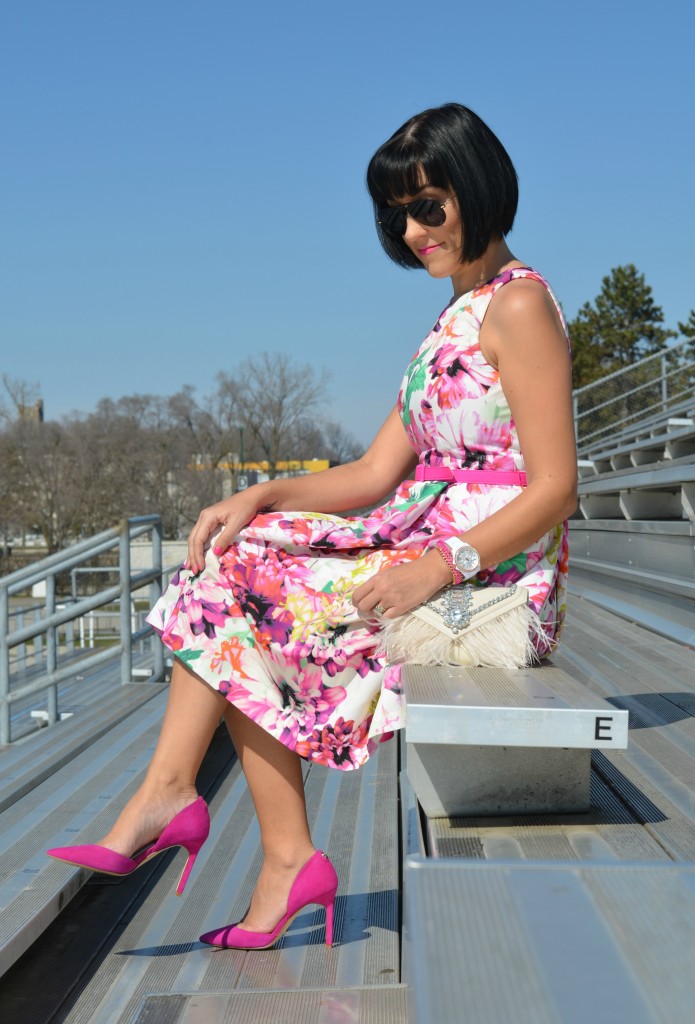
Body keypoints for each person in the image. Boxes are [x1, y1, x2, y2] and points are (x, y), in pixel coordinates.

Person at [47, 102, 577, 949]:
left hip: (493, 581)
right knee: (232, 559)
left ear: (478, 189)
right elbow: (373, 474)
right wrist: (260, 496)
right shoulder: (453, 318)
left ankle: (211, 819)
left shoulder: (518, 308)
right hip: (429, 547)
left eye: (428, 205)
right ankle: (238, 828)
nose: (411, 230)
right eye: (397, 214)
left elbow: (557, 489)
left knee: (239, 594)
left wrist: (438, 569)